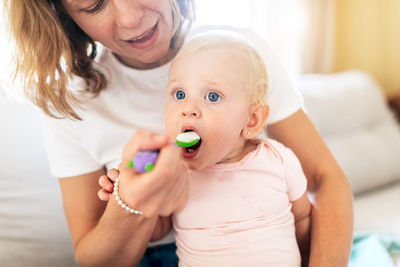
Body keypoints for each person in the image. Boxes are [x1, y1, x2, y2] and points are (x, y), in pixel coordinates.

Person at [5, 0, 353, 266]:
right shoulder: (71, 99)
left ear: (253, 118)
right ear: (68, 18)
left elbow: (324, 180)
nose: (130, 19)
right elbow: (92, 257)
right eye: (94, 5)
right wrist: (130, 203)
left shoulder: (237, 53)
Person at [101, 33, 312, 266]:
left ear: (251, 120)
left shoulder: (278, 160)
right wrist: (129, 195)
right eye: (179, 94)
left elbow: (302, 217)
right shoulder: (173, 173)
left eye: (212, 96)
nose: (188, 109)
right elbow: (157, 229)